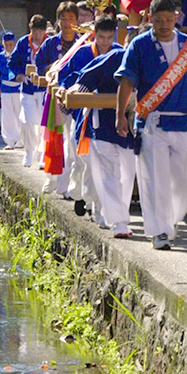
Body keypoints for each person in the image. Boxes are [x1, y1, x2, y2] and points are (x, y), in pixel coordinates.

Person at [115, 0, 187, 251]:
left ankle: (172, 220)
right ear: (150, 19)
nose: (164, 24)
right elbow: (127, 81)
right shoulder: (139, 45)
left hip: (185, 121)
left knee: (186, 177)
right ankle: (159, 231)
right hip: (152, 122)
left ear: (176, 17)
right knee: (155, 179)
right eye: (159, 20)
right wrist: (121, 113)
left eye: (169, 19)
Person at [71, 17, 138, 237]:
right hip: (103, 123)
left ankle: (113, 214)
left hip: (133, 126)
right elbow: (86, 77)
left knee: (127, 175)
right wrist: (77, 92)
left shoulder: (152, 63)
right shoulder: (116, 56)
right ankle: (117, 221)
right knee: (107, 173)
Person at [57, 16, 120, 224]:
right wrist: (69, 91)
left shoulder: (119, 52)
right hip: (83, 112)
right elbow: (65, 76)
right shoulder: (82, 53)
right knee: (83, 160)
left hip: (109, 114)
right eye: (101, 37)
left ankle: (98, 206)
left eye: (110, 37)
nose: (105, 42)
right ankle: (83, 197)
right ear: (94, 35)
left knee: (103, 165)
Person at [37, 1, 88, 196]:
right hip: (55, 98)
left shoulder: (83, 43)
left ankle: (70, 186)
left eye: (71, 18)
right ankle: (54, 179)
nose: (67, 23)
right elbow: (40, 65)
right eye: (63, 19)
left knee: (73, 142)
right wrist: (53, 68)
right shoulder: (50, 43)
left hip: (76, 98)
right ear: (58, 20)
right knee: (54, 141)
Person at [7, 16, 48, 165]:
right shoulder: (23, 42)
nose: (37, 35)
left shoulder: (49, 42)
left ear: (44, 31)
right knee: (29, 121)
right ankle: (29, 151)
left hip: (44, 88)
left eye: (40, 31)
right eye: (34, 31)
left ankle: (42, 153)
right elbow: (12, 62)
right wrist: (18, 74)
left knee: (44, 122)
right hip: (28, 88)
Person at [0, 31, 20, 148]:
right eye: (6, 45)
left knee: (19, 114)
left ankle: (21, 140)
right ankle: (10, 141)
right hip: (5, 89)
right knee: (7, 116)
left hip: (18, 88)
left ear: (14, 43)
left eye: (11, 44)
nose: (9, 47)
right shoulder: (0, 57)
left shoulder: (18, 56)